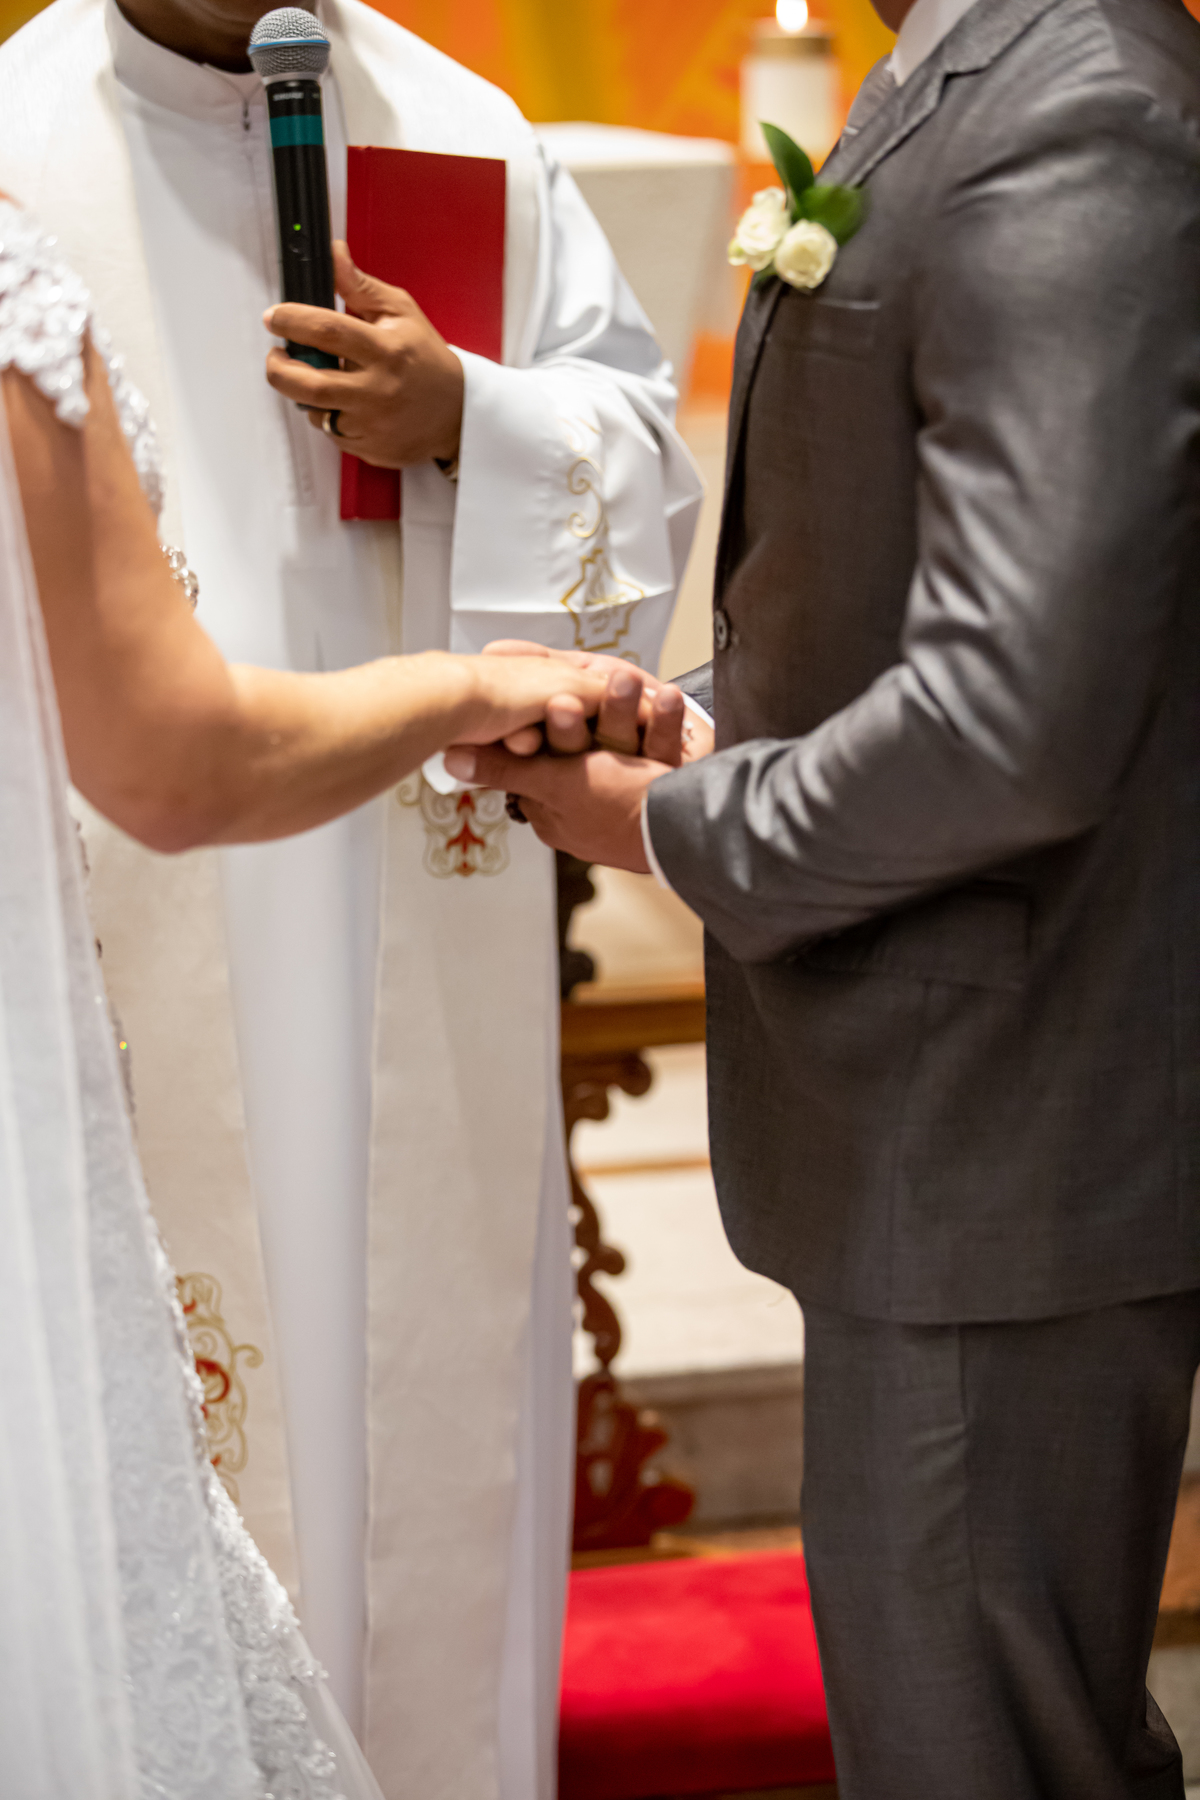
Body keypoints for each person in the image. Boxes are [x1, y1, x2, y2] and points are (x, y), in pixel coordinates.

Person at [450, 0, 1200, 1794]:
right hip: (949, 1112)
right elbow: (909, 586)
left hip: (1006, 1116)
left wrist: (671, 822)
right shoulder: (967, 65)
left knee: (982, 1754)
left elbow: (1013, 722)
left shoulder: (1079, 105)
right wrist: (701, 712)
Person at [0, 1, 702, 1793]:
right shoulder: (17, 144)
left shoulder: (462, 127)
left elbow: (641, 466)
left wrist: (467, 411)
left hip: (420, 902)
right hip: (128, 894)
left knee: (424, 1458)